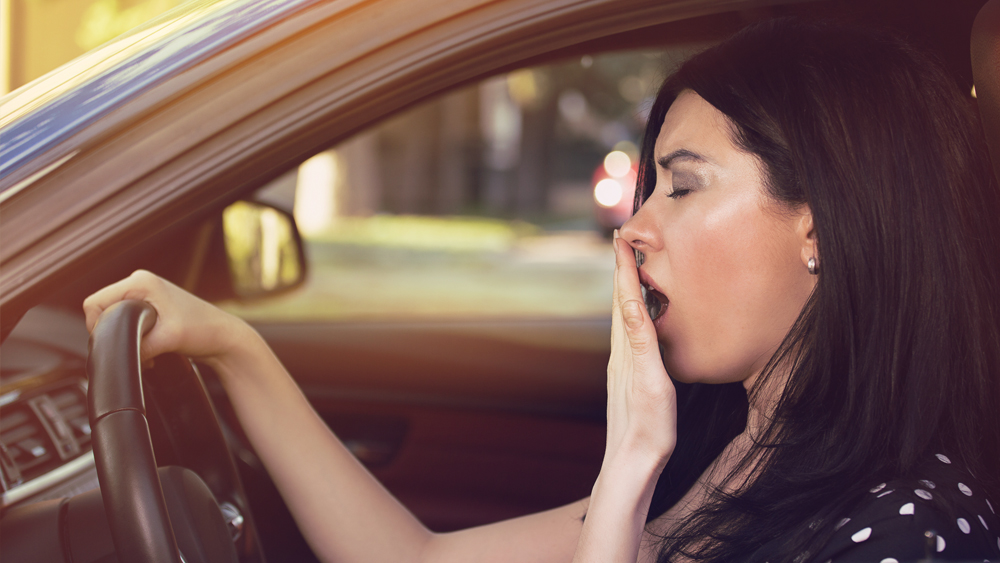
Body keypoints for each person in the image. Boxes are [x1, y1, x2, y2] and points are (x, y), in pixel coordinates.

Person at [84, 18, 1000, 562]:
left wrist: (632, 462)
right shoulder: (740, 457)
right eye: (647, 190)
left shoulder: (914, 531)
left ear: (823, 222)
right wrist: (235, 348)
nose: (635, 229)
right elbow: (410, 557)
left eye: (683, 185)